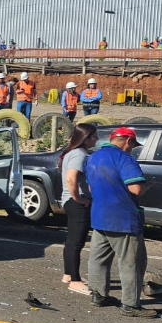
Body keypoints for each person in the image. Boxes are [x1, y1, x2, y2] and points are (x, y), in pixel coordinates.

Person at [86, 127, 156, 317]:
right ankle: (131, 305)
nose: (132, 149)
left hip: (99, 216)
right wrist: (146, 186)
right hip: (123, 218)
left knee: (98, 259)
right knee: (131, 262)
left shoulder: (94, 157)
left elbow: (91, 188)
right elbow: (135, 189)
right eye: (133, 145)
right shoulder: (125, 159)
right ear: (128, 142)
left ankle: (98, 295)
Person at [60, 123, 99, 295]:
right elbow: (71, 178)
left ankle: (69, 274)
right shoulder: (79, 155)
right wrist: (78, 198)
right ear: (86, 138)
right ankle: (75, 281)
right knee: (76, 242)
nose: (96, 139)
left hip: (71, 201)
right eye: (94, 136)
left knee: (72, 241)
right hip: (76, 203)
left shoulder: (74, 153)